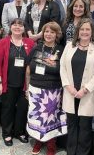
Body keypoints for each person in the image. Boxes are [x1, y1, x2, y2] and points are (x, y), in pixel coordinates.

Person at [60, 18, 94, 155]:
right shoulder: (69, 46)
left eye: (87, 29)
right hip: (71, 93)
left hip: (87, 94)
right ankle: (71, 152)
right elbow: (62, 67)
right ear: (77, 31)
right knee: (72, 125)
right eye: (82, 29)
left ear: (92, 32)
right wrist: (68, 87)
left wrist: (85, 89)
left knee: (85, 127)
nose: (84, 32)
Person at [0, 18, 35, 146]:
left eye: (20, 25)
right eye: (14, 25)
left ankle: (19, 132)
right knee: (7, 109)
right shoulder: (3, 42)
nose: (17, 27)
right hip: (8, 84)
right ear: (10, 27)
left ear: (24, 29)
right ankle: (7, 133)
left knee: (22, 109)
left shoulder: (30, 43)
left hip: (24, 85)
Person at [26, 22, 67, 155]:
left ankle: (51, 145)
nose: (48, 34)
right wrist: (27, 88)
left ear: (57, 34)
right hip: (35, 89)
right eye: (46, 32)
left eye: (52, 32)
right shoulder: (36, 48)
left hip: (53, 90)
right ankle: (38, 141)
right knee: (37, 118)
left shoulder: (62, 50)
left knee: (51, 118)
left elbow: (65, 71)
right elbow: (27, 69)